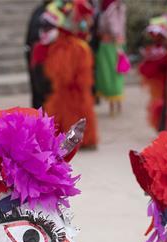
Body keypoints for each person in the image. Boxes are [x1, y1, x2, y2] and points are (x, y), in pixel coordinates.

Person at [40, 0, 99, 148]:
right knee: (69, 97)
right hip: (70, 48)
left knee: (72, 99)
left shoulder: (75, 6)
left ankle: (74, 138)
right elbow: (79, 25)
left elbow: (84, 25)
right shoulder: (73, 6)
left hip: (72, 47)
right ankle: (73, 138)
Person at [94, 0, 126, 116]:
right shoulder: (115, 7)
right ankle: (116, 105)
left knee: (111, 74)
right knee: (115, 74)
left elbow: (113, 27)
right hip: (114, 44)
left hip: (110, 45)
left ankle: (115, 105)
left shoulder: (112, 7)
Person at [138, 14, 167, 132]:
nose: (155, 37)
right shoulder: (157, 50)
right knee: (158, 102)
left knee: (161, 102)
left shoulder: (163, 50)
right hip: (158, 83)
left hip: (163, 82)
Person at [25, 0, 51, 108]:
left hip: (50, 58)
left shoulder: (58, 11)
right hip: (36, 56)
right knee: (37, 90)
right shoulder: (38, 11)